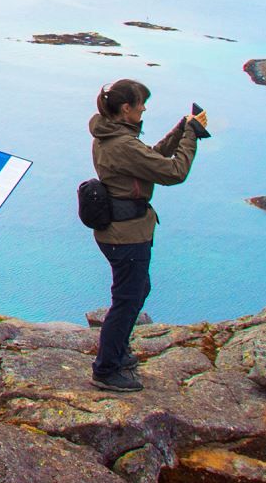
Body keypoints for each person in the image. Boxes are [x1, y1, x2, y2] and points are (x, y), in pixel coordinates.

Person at [87, 78, 203, 393]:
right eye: (141, 104)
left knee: (137, 291)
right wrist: (191, 137)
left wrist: (181, 130)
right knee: (127, 300)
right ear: (127, 108)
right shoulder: (121, 143)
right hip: (126, 234)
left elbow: (148, 157)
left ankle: (118, 353)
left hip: (120, 230)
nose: (144, 109)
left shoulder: (110, 134)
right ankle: (106, 369)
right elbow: (173, 172)